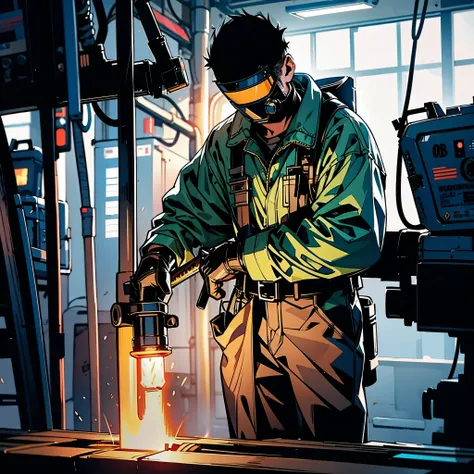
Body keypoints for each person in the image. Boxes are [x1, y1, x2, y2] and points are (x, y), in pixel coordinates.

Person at [134, 12, 387, 442]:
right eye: (238, 98)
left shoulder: (340, 132)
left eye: (261, 94)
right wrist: (160, 255)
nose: (254, 111)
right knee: (251, 458)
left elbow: (353, 236)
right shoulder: (228, 142)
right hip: (246, 323)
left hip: (318, 323)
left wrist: (241, 257)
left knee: (327, 461)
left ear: (285, 67)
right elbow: (189, 211)